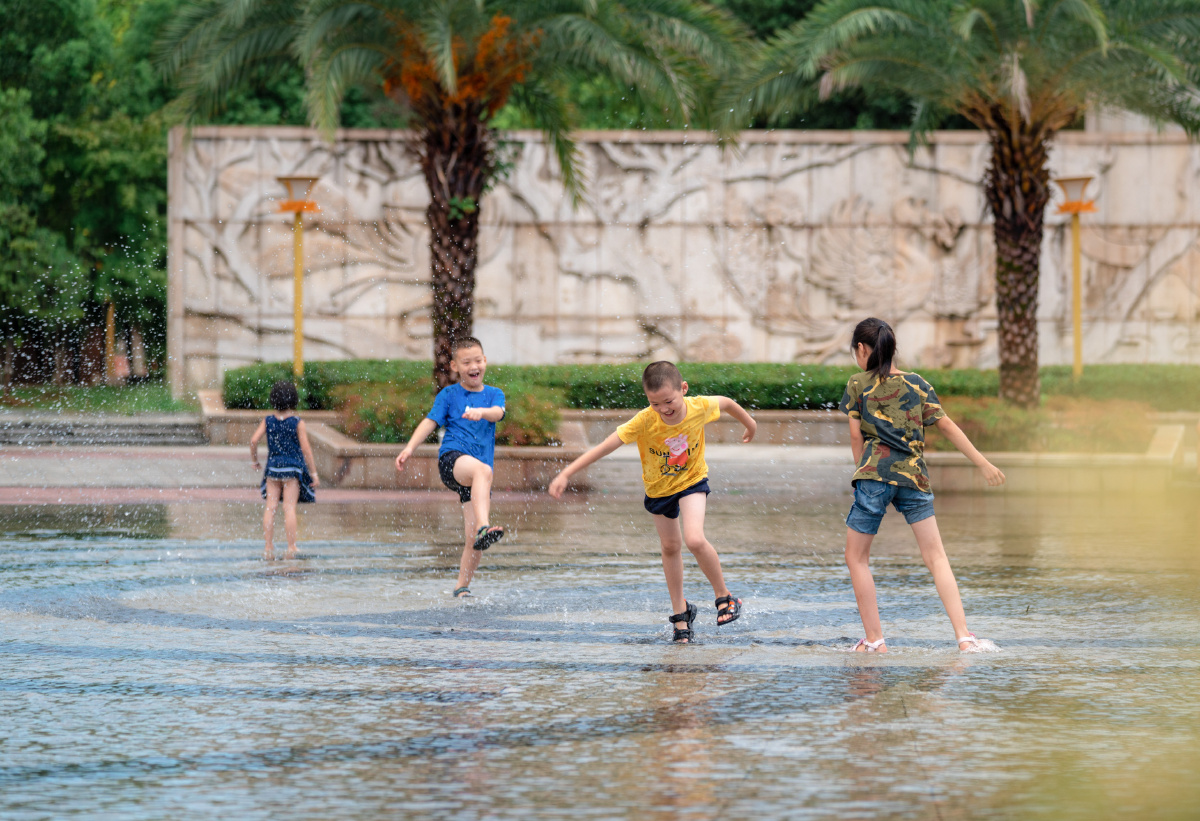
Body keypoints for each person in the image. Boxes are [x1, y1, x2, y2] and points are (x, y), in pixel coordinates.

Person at [548, 361, 756, 643]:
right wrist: (566, 473)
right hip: (658, 490)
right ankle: (680, 614)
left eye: (668, 401)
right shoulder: (644, 420)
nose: (663, 409)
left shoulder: (698, 407)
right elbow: (604, 447)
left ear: (683, 389)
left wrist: (750, 424)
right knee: (670, 546)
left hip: (692, 481)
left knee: (694, 539)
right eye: (654, 403)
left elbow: (728, 403)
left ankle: (724, 596)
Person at [839, 317, 1005, 653]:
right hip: (914, 477)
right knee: (936, 557)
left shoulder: (858, 384)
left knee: (857, 558)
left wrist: (860, 473)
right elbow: (948, 427)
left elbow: (856, 436)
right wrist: (983, 463)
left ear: (861, 349)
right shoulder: (918, 385)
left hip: (874, 477)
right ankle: (964, 637)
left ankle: (875, 641)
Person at [395, 337, 506, 598]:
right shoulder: (449, 395)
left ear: (485, 361)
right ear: (455, 366)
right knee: (484, 472)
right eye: (466, 362)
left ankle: (461, 586)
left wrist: (483, 412)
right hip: (452, 460)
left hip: (476, 478)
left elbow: (498, 413)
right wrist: (409, 448)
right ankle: (484, 526)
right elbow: (430, 422)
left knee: (473, 539)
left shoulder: (493, 395)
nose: (473, 366)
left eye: (477, 360)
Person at [250, 380, 319, 560]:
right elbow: (306, 449)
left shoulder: (268, 420)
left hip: (273, 469)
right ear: (294, 399)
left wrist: (255, 461)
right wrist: (313, 473)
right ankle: (291, 546)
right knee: (289, 508)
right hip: (292, 470)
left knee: (270, 507)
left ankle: (268, 545)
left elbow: (253, 440)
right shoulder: (297, 422)